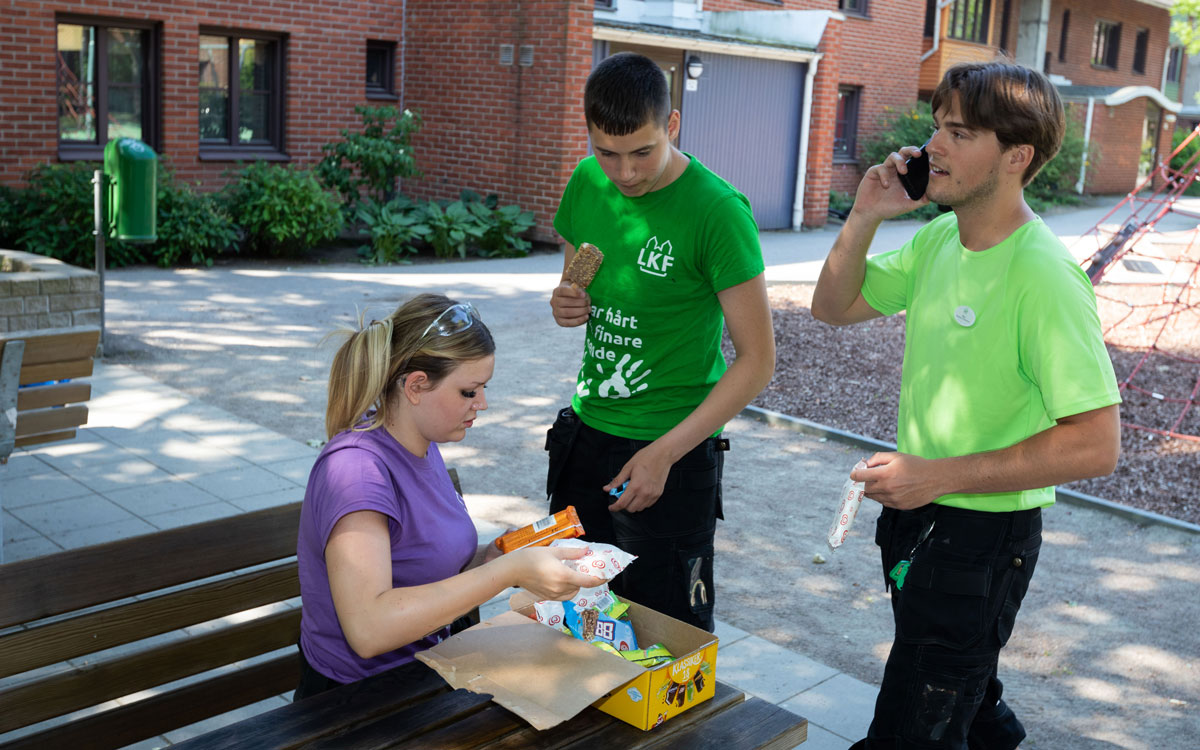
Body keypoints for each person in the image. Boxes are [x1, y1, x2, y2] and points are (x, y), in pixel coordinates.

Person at [811, 62, 1122, 749]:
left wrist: (939, 475)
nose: (932, 147)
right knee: (962, 694)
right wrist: (863, 214)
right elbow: (831, 306)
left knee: (913, 725)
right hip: (917, 521)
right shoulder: (938, 239)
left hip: (981, 544)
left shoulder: (1045, 275)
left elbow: (1097, 445)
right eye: (937, 126)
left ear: (1016, 157)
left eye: (958, 131)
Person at [546, 52, 776, 632]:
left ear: (671, 126)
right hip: (586, 435)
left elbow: (757, 361)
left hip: (671, 450)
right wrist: (566, 303)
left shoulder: (718, 212)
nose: (623, 173)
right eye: (607, 152)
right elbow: (574, 290)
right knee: (579, 622)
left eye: (642, 152)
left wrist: (666, 453)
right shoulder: (585, 181)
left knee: (666, 638)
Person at [296, 293, 604, 700]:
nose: (483, 404)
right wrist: (508, 573)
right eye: (468, 391)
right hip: (357, 700)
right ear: (416, 386)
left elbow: (417, 564)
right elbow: (368, 630)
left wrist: (493, 556)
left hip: (428, 669)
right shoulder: (356, 471)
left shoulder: (421, 444)